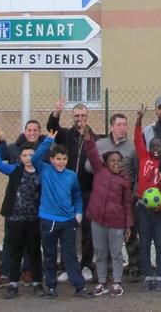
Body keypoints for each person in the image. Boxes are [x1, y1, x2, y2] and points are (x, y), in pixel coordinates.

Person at [0, 125, 44, 298]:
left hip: (34, 218)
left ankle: (37, 282)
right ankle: (12, 283)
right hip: (15, 218)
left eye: (31, 156)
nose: (28, 158)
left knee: (34, 251)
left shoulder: (41, 171)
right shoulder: (14, 170)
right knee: (15, 251)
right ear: (20, 157)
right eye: (25, 155)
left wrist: (48, 140)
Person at [34, 133, 90, 298]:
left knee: (70, 255)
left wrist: (78, 212)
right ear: (51, 159)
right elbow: (35, 158)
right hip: (48, 220)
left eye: (64, 159)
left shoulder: (71, 176)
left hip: (68, 221)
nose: (61, 162)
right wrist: (47, 141)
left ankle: (79, 287)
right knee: (50, 254)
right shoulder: (44, 170)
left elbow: (77, 196)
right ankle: (51, 287)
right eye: (58, 159)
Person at [46, 102, 95, 280]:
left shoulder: (93, 138)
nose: (80, 119)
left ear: (87, 117)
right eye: (76, 116)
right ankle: (68, 266)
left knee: (88, 231)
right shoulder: (66, 135)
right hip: (66, 193)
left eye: (83, 116)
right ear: (73, 117)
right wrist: (56, 113)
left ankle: (87, 265)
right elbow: (51, 127)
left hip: (87, 190)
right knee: (67, 231)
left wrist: (87, 138)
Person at [82, 133, 134, 296]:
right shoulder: (99, 171)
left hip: (116, 222)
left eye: (119, 161)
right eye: (113, 161)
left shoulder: (124, 180)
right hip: (97, 219)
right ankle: (102, 282)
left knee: (116, 252)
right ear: (106, 162)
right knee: (101, 252)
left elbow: (127, 204)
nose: (116, 163)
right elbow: (92, 153)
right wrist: (88, 139)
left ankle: (117, 282)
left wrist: (128, 225)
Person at [132, 105, 161, 290]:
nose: (156, 149)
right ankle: (148, 276)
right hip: (143, 208)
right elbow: (137, 138)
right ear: (148, 147)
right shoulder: (143, 158)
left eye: (159, 147)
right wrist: (139, 120)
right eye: (153, 146)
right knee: (145, 243)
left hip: (159, 211)